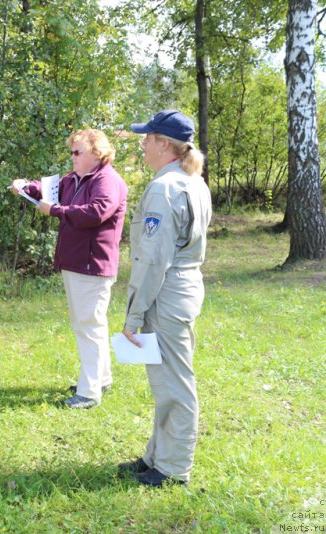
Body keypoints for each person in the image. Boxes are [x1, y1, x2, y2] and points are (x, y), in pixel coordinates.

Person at [118, 110, 212, 486]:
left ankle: (173, 469)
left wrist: (133, 314)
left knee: (175, 383)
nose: (142, 143)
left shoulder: (164, 188)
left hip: (166, 292)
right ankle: (156, 456)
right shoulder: (191, 181)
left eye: (147, 137)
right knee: (166, 380)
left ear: (163, 144)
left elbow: (153, 259)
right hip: (182, 288)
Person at [10, 129, 127, 409]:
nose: (72, 157)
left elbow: (96, 212)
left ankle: (88, 393)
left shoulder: (107, 180)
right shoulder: (74, 179)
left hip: (92, 264)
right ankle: (101, 378)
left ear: (96, 153)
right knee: (90, 324)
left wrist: (56, 211)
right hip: (76, 263)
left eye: (78, 152)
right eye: (71, 152)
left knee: (88, 326)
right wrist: (25, 186)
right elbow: (47, 190)